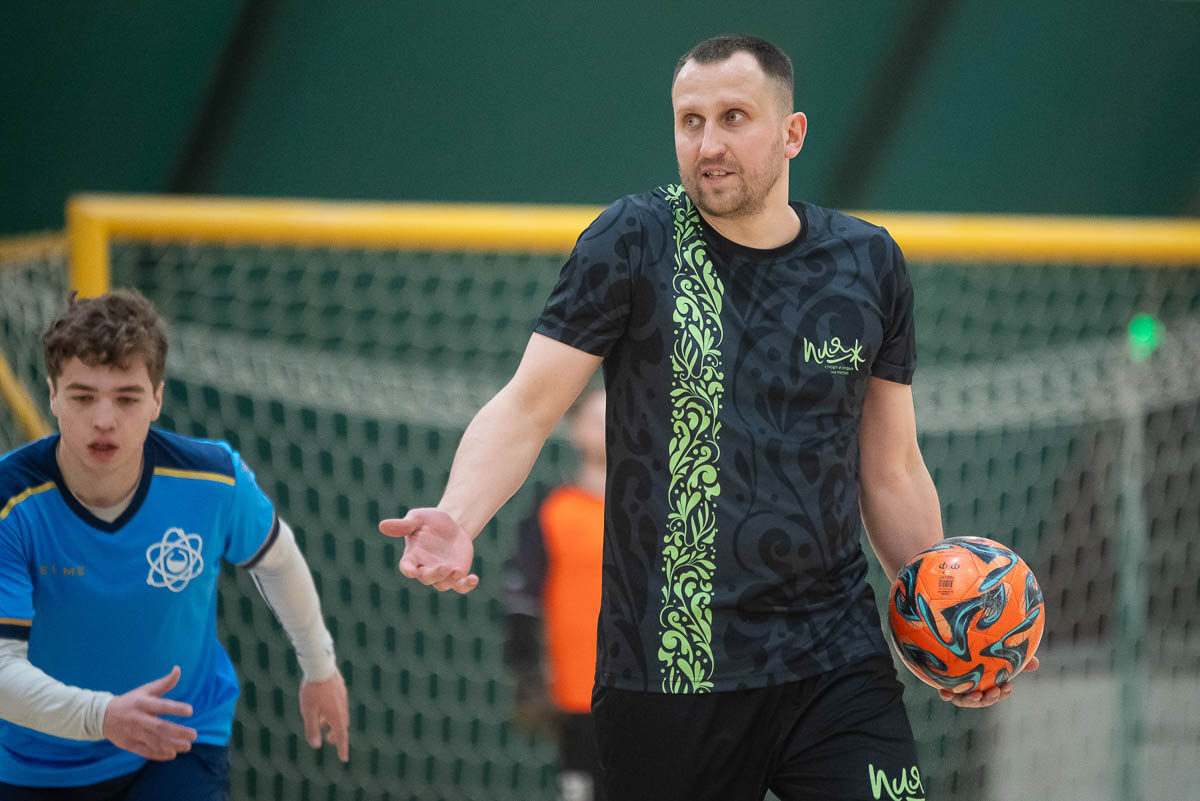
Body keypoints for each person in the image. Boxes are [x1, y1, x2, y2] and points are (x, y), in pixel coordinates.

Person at [380, 34, 1037, 801]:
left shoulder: (868, 262)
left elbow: (890, 468)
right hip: (669, 675)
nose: (708, 144)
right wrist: (459, 513)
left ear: (792, 132)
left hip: (835, 661)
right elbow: (526, 407)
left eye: (733, 117)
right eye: (690, 121)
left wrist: (945, 620)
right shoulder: (632, 240)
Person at [0, 290, 349, 800]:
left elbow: (277, 559)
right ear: (52, 395)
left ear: (157, 399)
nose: (104, 419)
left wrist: (320, 666)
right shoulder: (10, 503)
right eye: (82, 397)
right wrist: (102, 716)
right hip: (41, 762)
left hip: (179, 739)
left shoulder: (213, 480)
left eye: (127, 398)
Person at [503, 387, 606, 801]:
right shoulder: (553, 510)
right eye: (596, 419)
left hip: (653, 696)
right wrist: (528, 672)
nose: (608, 427)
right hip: (576, 696)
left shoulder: (662, 512)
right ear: (575, 428)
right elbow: (522, 598)